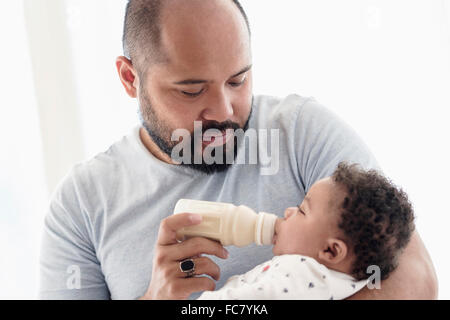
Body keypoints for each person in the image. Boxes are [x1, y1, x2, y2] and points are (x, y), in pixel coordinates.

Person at [39, 0, 437, 300]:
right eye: (191, 90)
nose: (225, 112)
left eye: (238, 80)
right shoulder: (81, 205)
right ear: (130, 79)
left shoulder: (299, 132)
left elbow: (414, 279)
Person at [197, 162, 415, 299]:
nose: (289, 211)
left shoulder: (301, 273)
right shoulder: (348, 282)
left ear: (330, 251)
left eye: (302, 210)